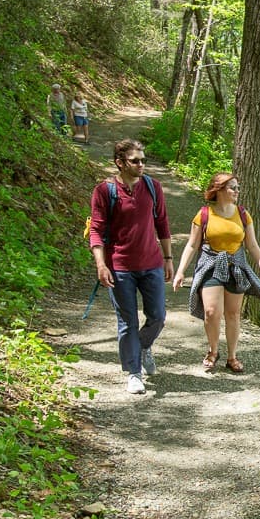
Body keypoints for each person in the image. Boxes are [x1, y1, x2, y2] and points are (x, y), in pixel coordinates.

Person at [87, 139, 174, 395]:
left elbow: (163, 224)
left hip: (152, 264)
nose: (141, 165)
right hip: (120, 267)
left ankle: (143, 347)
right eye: (135, 161)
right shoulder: (104, 191)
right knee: (127, 321)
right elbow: (96, 230)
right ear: (120, 162)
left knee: (158, 316)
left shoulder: (152, 186)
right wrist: (101, 265)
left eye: (143, 160)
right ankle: (134, 372)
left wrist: (168, 259)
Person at [173, 173, 260, 373]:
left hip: (236, 267)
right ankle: (213, 351)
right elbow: (192, 244)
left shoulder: (243, 214)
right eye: (232, 188)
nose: (237, 191)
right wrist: (180, 272)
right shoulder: (204, 214)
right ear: (219, 190)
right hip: (211, 265)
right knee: (212, 312)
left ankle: (232, 356)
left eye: (237, 187)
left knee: (233, 314)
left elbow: (252, 244)